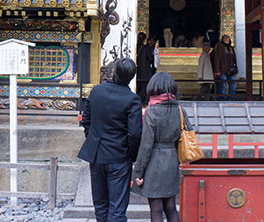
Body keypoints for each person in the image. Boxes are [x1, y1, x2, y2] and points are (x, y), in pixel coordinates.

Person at [78, 58, 143, 222]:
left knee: (100, 205)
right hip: (118, 156)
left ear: (114, 73)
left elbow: (86, 121)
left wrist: (94, 139)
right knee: (117, 208)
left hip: (96, 155)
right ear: (131, 77)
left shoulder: (96, 91)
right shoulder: (132, 99)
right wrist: (132, 154)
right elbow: (134, 133)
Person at [132, 72, 192, 222]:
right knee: (171, 206)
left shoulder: (152, 111)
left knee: (156, 208)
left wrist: (138, 172)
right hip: (172, 159)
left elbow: (146, 145)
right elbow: (188, 133)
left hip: (154, 162)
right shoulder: (179, 110)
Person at [211, 33, 237, 100]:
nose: (226, 38)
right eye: (225, 37)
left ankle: (231, 99)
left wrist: (236, 69)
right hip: (222, 70)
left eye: (228, 37)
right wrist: (217, 70)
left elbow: (234, 59)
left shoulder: (231, 48)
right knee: (223, 86)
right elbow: (217, 59)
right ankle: (223, 99)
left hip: (231, 70)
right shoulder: (220, 47)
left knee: (232, 85)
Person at [136, 33, 155, 104]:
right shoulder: (146, 48)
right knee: (143, 89)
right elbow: (150, 58)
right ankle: (142, 102)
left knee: (138, 88)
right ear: (144, 39)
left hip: (137, 72)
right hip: (145, 72)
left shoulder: (134, 47)